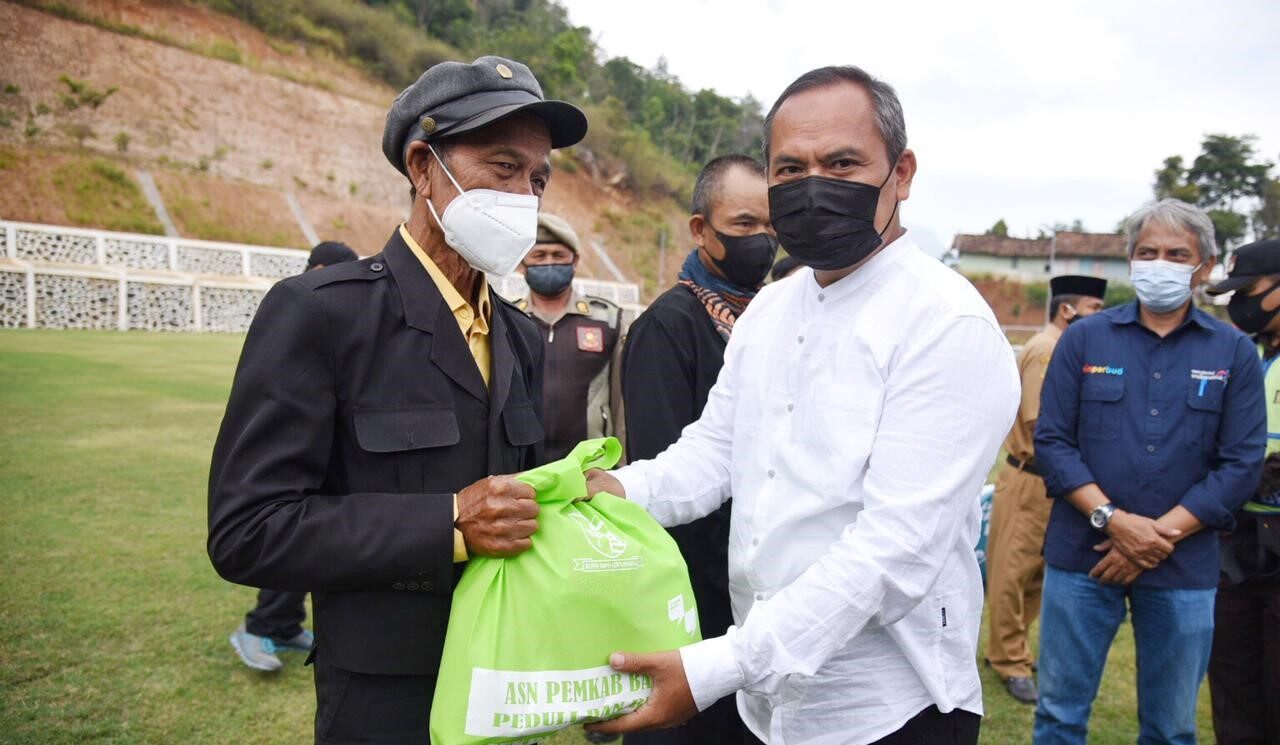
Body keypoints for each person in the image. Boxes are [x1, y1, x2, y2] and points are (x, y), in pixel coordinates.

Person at [583, 65, 1019, 745]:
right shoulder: (774, 307)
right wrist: (612, 489)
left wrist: (715, 667)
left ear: (900, 173)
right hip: (767, 701)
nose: (813, 184)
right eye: (790, 168)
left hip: (885, 708)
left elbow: (892, 552)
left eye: (842, 162)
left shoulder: (945, 323)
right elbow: (715, 451)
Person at [207, 55, 587, 743]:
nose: (524, 198)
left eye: (537, 179)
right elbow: (248, 529)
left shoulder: (524, 337)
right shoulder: (320, 315)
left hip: (505, 686)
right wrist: (447, 522)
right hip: (383, 699)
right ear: (422, 166)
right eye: (503, 168)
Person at [1032, 198, 1267, 745]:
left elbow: (1241, 462)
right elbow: (1053, 442)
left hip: (1183, 566)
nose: (1160, 263)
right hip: (1081, 558)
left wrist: (1157, 536)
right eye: (1148, 252)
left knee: (1171, 726)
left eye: (1176, 254)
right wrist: (1116, 522)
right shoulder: (1085, 339)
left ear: (1204, 266)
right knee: (1060, 716)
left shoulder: (1233, 351)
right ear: (1130, 260)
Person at [620, 153, 775, 745]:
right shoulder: (671, 325)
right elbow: (671, 469)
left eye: (769, 226)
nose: (761, 241)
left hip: (752, 588)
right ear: (699, 230)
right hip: (695, 591)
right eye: (743, 225)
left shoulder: (765, 317)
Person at [227, 240, 361, 673]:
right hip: (298, 451)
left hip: (333, 451)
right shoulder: (297, 307)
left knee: (319, 545)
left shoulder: (340, 312)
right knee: (287, 538)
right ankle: (260, 625)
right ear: (318, 268)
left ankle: (283, 625)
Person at [984, 274, 1107, 703]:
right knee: (1011, 575)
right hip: (1031, 477)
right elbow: (1041, 425)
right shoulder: (1047, 350)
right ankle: (1008, 661)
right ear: (1068, 309)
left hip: (1054, 482)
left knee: (1036, 574)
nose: (1101, 317)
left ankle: (1011, 647)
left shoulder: (1066, 347)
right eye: (1094, 307)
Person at [1204, 237, 1280, 744]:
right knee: (1232, 675)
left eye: (1248, 290)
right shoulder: (1243, 352)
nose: (1239, 304)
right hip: (1236, 539)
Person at [515, 212, 623, 462]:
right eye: (539, 256)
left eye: (559, 256)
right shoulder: (508, 321)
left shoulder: (607, 319)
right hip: (523, 470)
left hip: (591, 471)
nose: (550, 262)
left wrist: (623, 466)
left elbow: (621, 403)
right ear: (522, 265)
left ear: (575, 262)